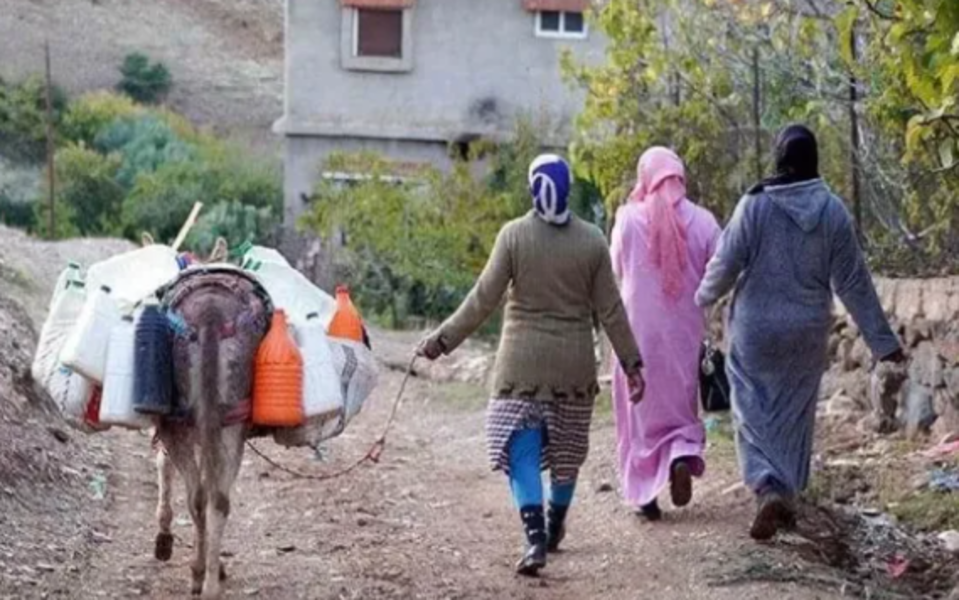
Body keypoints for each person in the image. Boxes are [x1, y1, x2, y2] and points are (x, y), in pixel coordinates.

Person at [417, 154, 646, 576]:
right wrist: (632, 363)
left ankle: (535, 537)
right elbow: (611, 310)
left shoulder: (514, 236)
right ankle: (556, 522)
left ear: (531, 189)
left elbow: (482, 299)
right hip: (574, 366)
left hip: (519, 367)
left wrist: (441, 341)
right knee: (566, 452)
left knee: (521, 446)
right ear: (569, 189)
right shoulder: (592, 240)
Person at [695, 125, 905, 540]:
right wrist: (884, 344)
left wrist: (701, 297)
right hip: (806, 331)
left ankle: (768, 487)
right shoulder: (832, 211)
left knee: (751, 408)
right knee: (794, 414)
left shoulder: (754, 204)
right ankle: (786, 492)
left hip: (755, 330)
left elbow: (726, 263)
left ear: (779, 158)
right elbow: (854, 284)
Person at [610, 147, 721, 521]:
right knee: (680, 405)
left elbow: (616, 268)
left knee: (638, 411)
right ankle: (679, 456)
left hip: (636, 334)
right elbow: (721, 267)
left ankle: (645, 495)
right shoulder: (703, 221)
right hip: (684, 333)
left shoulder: (628, 219)